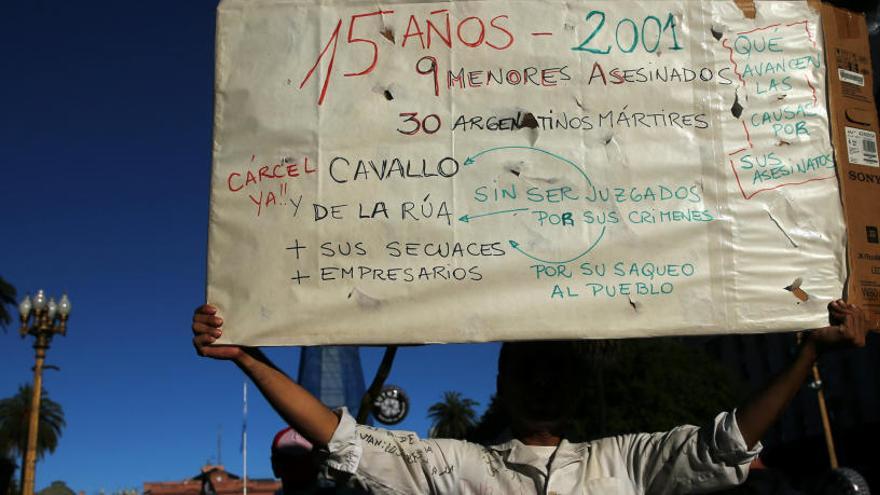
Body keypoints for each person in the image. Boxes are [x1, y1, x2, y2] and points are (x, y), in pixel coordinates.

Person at [191, 300, 870, 494]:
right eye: (529, 366)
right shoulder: (455, 468)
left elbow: (724, 443)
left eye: (554, 367)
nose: (543, 378)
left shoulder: (627, 461)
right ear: (503, 383)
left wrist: (809, 352)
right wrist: (248, 357)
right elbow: (344, 440)